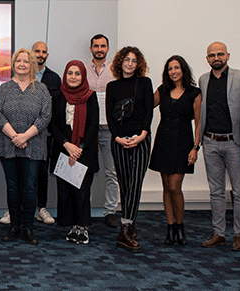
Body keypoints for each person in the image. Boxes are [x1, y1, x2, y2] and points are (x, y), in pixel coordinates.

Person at [0, 41, 61, 226]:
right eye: (18, 61)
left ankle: (27, 228)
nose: (22, 64)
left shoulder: (41, 89)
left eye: (26, 61)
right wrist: (14, 137)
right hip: (8, 145)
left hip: (33, 145)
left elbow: (45, 116)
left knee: (29, 188)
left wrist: (24, 137)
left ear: (31, 64)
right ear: (13, 63)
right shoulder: (4, 88)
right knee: (13, 187)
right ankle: (15, 227)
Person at [198, 42, 240, 251]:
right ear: (207, 58)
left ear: (228, 55)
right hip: (210, 141)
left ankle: (239, 234)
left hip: (234, 143)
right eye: (212, 55)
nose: (216, 58)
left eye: (220, 54)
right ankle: (219, 233)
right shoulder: (203, 79)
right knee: (216, 191)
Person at [148, 55, 202, 246]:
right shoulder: (162, 90)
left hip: (184, 143)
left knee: (174, 186)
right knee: (165, 187)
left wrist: (196, 147)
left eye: (176, 67)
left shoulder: (194, 93)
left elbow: (198, 123)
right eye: (170, 68)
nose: (173, 71)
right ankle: (170, 227)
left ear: (183, 70)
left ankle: (180, 225)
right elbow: (145, 105)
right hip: (163, 141)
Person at [105, 46, 153, 253]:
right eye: (126, 59)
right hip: (119, 141)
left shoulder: (145, 83)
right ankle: (130, 225)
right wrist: (117, 138)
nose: (130, 63)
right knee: (125, 184)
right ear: (120, 62)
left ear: (138, 64)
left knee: (135, 183)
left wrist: (142, 135)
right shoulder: (112, 86)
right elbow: (109, 116)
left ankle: (125, 227)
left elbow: (149, 113)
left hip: (141, 139)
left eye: (134, 60)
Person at [50, 60, 99, 245]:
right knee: (66, 191)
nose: (73, 77)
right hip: (63, 148)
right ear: (65, 75)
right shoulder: (57, 96)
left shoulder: (90, 96)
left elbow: (94, 124)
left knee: (82, 191)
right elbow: (53, 124)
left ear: (83, 76)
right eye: (70, 73)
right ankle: (72, 226)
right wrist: (66, 144)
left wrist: (80, 147)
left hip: (84, 150)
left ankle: (83, 227)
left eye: (77, 73)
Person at [85, 34, 120, 228]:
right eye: (96, 46)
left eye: (103, 46)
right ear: (91, 49)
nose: (99, 49)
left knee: (111, 172)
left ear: (107, 48)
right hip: (88, 129)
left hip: (109, 129)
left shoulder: (115, 71)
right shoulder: (83, 70)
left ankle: (110, 211)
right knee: (86, 171)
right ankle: (85, 209)